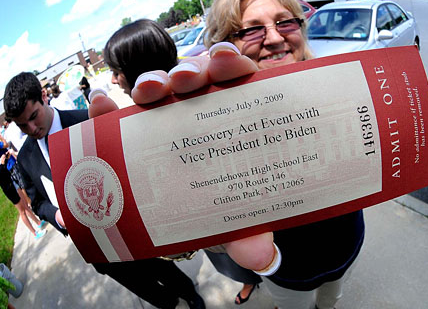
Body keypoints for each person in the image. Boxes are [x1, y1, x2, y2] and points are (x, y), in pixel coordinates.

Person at [92, 0, 364, 309]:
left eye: (284, 21)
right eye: (251, 30)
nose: (275, 37)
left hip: (348, 247)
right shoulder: (208, 124)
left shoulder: (335, 87)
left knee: (332, 301)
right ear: (223, 47)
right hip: (286, 273)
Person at [3, 72, 205, 309]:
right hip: (92, 242)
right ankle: (167, 302)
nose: (32, 128)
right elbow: (36, 203)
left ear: (44, 96)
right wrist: (55, 215)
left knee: (159, 266)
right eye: (22, 125)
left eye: (33, 117)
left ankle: (188, 292)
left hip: (126, 224)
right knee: (136, 283)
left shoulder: (87, 120)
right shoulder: (25, 157)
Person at [103, 18, 263, 305]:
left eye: (116, 71)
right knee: (230, 261)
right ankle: (251, 278)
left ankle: (254, 281)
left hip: (236, 219)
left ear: (134, 66)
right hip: (214, 231)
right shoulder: (134, 120)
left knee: (247, 261)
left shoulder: (202, 94)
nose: (114, 80)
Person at [0, 135, 46, 239]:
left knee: (25, 205)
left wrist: (4, 161)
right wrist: (2, 164)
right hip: (8, 188)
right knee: (22, 211)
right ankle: (34, 233)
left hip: (12, 183)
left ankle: (38, 222)